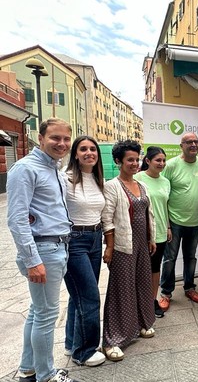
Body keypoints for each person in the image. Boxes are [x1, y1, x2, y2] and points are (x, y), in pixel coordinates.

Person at [7, 118, 79, 382]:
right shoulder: (25, 168)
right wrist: (31, 260)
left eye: (65, 139)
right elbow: (16, 219)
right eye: (55, 138)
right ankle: (46, 375)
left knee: (38, 311)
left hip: (56, 246)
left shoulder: (54, 169)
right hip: (43, 250)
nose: (61, 144)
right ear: (41, 138)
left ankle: (28, 368)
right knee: (47, 314)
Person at [101, 140, 157, 361]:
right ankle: (113, 340)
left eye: (136, 159)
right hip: (124, 246)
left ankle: (142, 324)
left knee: (143, 284)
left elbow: (147, 214)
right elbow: (107, 219)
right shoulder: (112, 186)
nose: (134, 163)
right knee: (121, 290)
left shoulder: (141, 186)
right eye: (129, 160)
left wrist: (151, 238)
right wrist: (110, 247)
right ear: (118, 161)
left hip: (143, 244)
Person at [63, 136, 106, 367]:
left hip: (95, 239)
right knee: (89, 297)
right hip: (74, 241)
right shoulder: (65, 178)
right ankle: (84, 351)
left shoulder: (98, 178)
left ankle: (71, 343)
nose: (89, 152)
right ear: (75, 154)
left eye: (92, 149)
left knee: (77, 296)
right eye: (83, 149)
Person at [159, 133, 198, 310]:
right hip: (175, 221)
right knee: (170, 258)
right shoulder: (171, 165)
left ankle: (189, 287)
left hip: (195, 221)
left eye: (196, 142)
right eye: (189, 142)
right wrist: (167, 224)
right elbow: (163, 194)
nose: (193, 145)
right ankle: (165, 292)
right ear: (181, 146)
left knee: (190, 257)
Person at [134, 146, 171, 319]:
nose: (161, 163)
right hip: (143, 233)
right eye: (158, 160)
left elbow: (166, 206)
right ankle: (137, 302)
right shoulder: (138, 179)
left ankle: (152, 300)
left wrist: (169, 227)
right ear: (147, 161)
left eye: (163, 160)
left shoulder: (165, 181)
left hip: (161, 231)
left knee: (155, 268)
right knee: (141, 269)